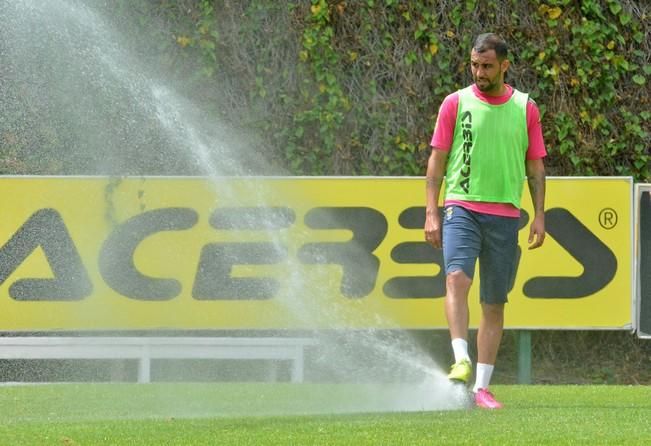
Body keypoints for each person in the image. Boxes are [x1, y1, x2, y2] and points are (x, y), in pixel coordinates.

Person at [424, 33, 547, 409]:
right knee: (456, 278)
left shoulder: (526, 108)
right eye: (475, 65)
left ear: (504, 65)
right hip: (461, 206)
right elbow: (437, 161)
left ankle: (481, 388)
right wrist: (432, 210)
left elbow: (535, 166)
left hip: (506, 215)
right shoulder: (454, 103)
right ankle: (461, 359)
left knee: (494, 303)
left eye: (487, 66)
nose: (479, 72)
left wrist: (539, 215)